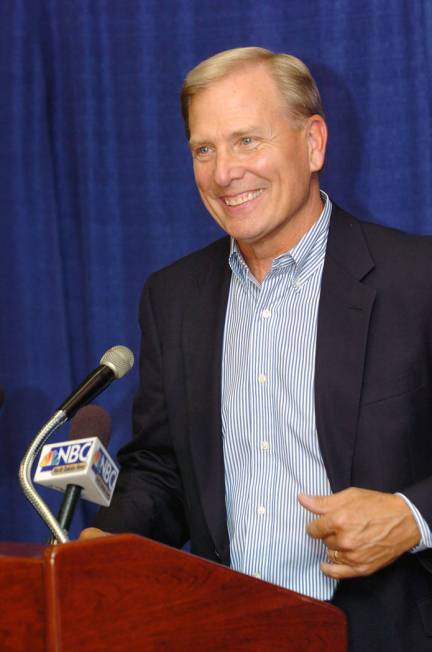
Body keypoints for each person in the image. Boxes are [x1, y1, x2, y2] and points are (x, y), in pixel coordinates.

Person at [81, 47, 432, 651]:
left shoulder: (417, 278)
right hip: (225, 628)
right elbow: (164, 468)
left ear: (314, 143)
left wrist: (413, 516)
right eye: (204, 149)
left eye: (247, 140)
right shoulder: (173, 297)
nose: (223, 174)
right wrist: (111, 542)